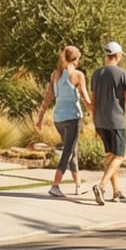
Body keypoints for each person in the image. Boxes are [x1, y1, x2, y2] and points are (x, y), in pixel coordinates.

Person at [34, 44, 91, 200]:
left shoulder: (56, 75)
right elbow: (86, 99)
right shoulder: (79, 75)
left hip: (58, 118)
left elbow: (47, 98)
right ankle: (55, 185)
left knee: (73, 151)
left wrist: (39, 120)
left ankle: (78, 185)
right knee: (68, 151)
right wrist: (95, 113)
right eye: (78, 58)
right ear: (75, 59)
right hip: (73, 118)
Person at [90, 40, 126, 205]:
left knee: (110, 157)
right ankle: (101, 186)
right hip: (116, 121)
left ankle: (116, 192)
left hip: (100, 121)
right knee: (119, 156)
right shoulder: (123, 74)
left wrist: (95, 119)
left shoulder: (96, 74)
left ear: (106, 55)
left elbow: (93, 101)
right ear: (118, 56)